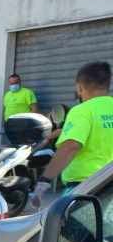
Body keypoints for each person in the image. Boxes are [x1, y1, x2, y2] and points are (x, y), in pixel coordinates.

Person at [31, 61, 113, 207]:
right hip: (108, 182)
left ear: (80, 87)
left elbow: (71, 146)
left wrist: (44, 181)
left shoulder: (82, 110)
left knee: (72, 228)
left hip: (86, 188)